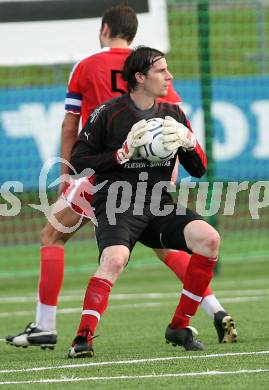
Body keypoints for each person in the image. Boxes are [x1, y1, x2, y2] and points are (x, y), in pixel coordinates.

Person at [5, 6, 236, 351]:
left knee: (53, 233)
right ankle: (214, 308)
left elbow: (71, 125)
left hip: (105, 175)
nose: (166, 75)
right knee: (159, 245)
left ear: (104, 29)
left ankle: (46, 325)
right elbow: (167, 129)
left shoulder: (88, 66)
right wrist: (170, 170)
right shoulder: (151, 69)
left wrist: (68, 175)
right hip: (144, 177)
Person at [67, 46, 228, 358]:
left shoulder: (174, 115)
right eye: (161, 71)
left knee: (210, 239)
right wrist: (118, 156)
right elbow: (79, 159)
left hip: (157, 203)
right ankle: (82, 339)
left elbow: (199, 169)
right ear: (139, 77)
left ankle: (179, 327)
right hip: (116, 202)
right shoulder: (108, 113)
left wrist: (191, 144)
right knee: (114, 260)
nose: (169, 76)